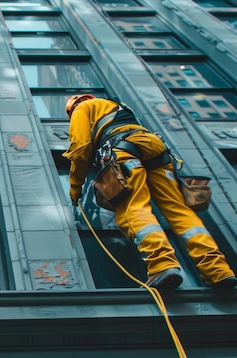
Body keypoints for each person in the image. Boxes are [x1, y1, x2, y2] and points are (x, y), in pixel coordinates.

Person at [63, 94, 236, 290]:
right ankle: (217, 270)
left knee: (132, 207)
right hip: (156, 150)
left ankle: (162, 265)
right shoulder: (120, 107)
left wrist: (75, 187)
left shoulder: (82, 109)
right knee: (179, 211)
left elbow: (80, 147)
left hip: (123, 149)